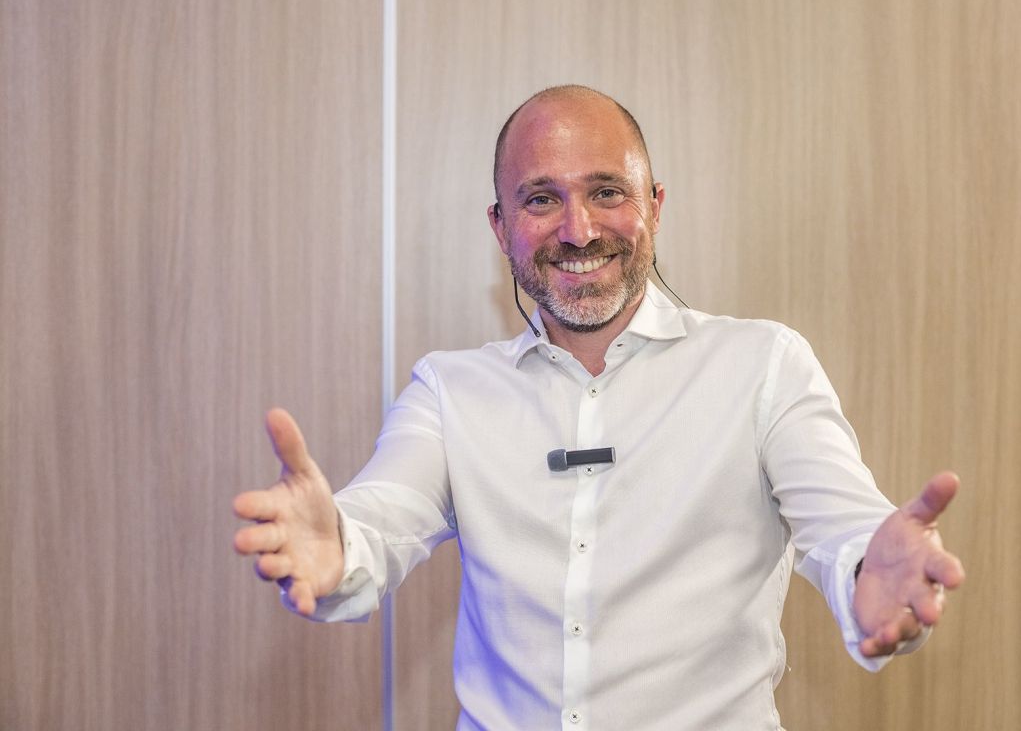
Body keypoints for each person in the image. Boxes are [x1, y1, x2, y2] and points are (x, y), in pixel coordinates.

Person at [233, 85, 965, 729]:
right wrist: (338, 549)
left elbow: (846, 529)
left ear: (655, 206)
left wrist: (872, 576)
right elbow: (379, 522)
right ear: (500, 227)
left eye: (608, 192)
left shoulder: (763, 365)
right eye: (541, 199)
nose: (578, 231)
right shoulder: (449, 392)